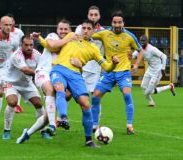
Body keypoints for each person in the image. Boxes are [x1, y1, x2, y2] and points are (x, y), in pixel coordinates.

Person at [16, 19, 118, 147]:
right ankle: (62, 118)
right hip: (60, 69)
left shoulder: (94, 49)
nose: (85, 30)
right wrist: (40, 39)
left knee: (86, 105)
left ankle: (89, 140)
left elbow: (107, 67)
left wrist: (114, 63)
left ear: (93, 31)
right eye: (84, 28)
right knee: (59, 88)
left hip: (76, 76)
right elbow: (50, 46)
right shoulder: (71, 36)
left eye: (88, 28)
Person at [91, 10, 144, 135]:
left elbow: (141, 50)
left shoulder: (130, 36)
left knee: (127, 95)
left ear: (123, 23)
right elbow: (89, 36)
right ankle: (94, 124)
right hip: (108, 71)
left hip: (124, 72)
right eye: (115, 22)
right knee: (95, 96)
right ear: (112, 23)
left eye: (119, 22)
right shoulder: (104, 33)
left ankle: (129, 125)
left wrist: (136, 63)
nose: (117, 25)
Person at [33, 19, 72, 134]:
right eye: (61, 29)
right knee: (50, 90)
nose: (63, 31)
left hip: (57, 75)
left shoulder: (71, 43)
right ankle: (53, 125)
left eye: (66, 29)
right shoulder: (53, 36)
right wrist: (69, 39)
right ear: (57, 29)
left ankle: (28, 133)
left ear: (70, 30)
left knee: (68, 94)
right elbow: (52, 45)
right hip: (43, 72)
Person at [2, 35, 45, 139]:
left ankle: (44, 131)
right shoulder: (17, 55)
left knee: (39, 104)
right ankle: (6, 131)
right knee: (12, 102)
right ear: (21, 45)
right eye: (26, 45)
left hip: (26, 83)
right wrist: (40, 74)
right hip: (10, 82)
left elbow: (44, 66)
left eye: (31, 45)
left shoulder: (37, 55)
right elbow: (25, 70)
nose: (29, 47)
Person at [132, 35, 175, 107]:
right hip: (150, 69)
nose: (142, 42)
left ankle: (169, 87)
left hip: (157, 71)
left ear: (147, 41)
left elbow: (164, 56)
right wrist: (134, 53)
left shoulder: (152, 49)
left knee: (148, 92)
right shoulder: (141, 49)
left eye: (143, 41)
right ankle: (151, 102)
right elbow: (133, 56)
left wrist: (163, 69)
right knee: (143, 86)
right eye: (141, 41)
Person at [75, 5, 104, 93]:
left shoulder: (103, 32)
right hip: (80, 66)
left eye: (95, 15)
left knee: (95, 96)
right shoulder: (80, 28)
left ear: (99, 16)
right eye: (91, 15)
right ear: (87, 16)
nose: (93, 17)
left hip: (95, 69)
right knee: (70, 94)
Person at [6, 13, 25, 113]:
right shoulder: (3, 32)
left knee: (18, 80)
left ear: (14, 22)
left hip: (16, 60)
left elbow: (22, 44)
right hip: (5, 60)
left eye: (11, 20)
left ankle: (17, 104)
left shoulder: (19, 32)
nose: (10, 23)